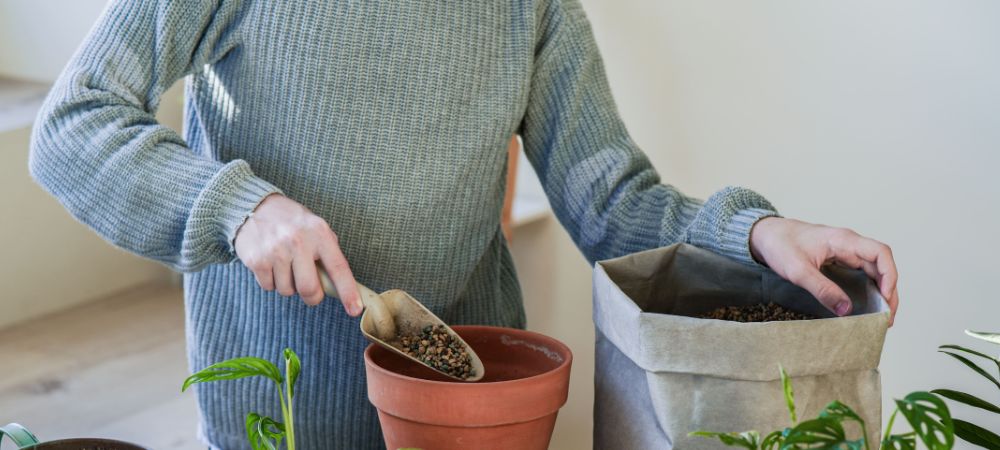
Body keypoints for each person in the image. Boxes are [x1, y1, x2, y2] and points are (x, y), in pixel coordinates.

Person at [28, 0, 899, 448]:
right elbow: (71, 125)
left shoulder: (530, 7)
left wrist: (750, 234)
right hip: (277, 415)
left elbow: (612, 199)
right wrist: (238, 207)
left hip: (469, 411)